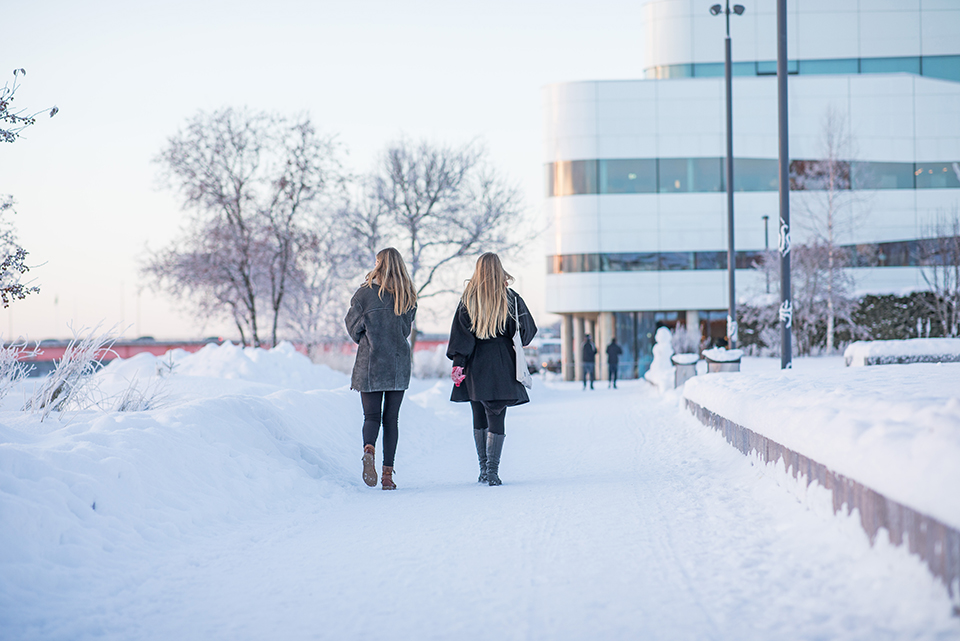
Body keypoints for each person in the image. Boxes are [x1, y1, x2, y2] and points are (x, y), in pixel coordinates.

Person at [447, 253, 537, 486]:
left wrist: (459, 363)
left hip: (476, 362)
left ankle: (483, 469)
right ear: (500, 270)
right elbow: (528, 331)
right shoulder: (511, 299)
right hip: (503, 362)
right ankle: (493, 472)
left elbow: (461, 336)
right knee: (496, 414)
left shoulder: (469, 299)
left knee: (478, 414)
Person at [344, 248, 417, 490]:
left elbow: (353, 328)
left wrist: (367, 339)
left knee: (371, 417)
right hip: (397, 364)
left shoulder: (364, 295)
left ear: (379, 264)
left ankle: (369, 449)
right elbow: (405, 330)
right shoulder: (407, 295)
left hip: (370, 363)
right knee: (391, 420)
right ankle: (387, 476)